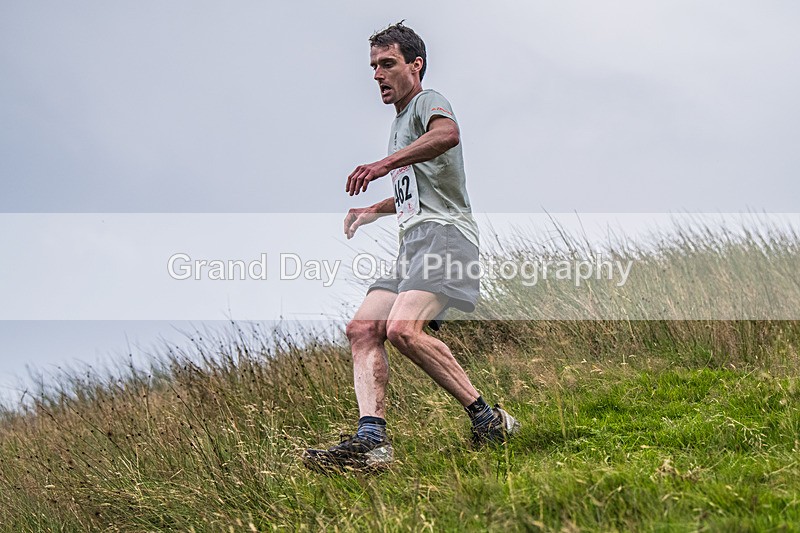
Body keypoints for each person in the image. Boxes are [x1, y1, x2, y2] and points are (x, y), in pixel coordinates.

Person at [303, 22, 519, 472]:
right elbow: (414, 193)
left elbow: (448, 134)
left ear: (414, 66)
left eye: (388, 64)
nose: (378, 75)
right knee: (363, 329)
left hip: (447, 238)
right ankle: (372, 442)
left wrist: (383, 164)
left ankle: (487, 419)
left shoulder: (427, 102)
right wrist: (372, 211)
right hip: (413, 243)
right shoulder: (400, 124)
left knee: (403, 330)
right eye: (373, 68)